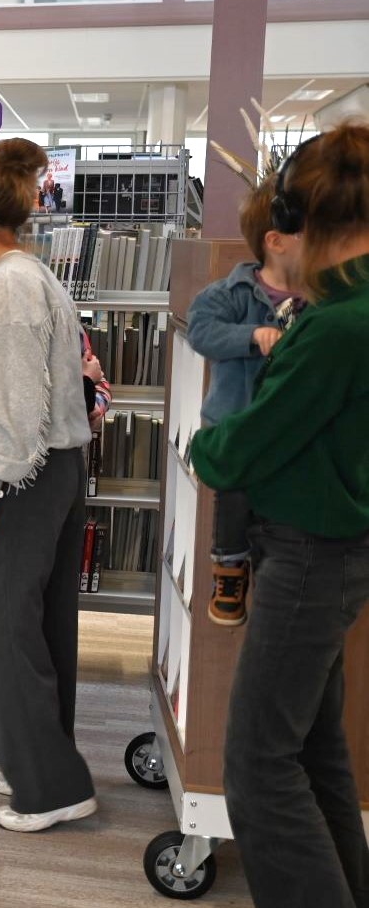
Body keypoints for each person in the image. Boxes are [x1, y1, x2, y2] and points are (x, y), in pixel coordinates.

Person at [189, 123, 369, 907]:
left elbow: (238, 450)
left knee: (258, 764)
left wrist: (206, 444)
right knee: (314, 747)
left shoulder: (330, 327)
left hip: (307, 556)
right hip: (335, 553)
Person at [0, 137, 97, 833]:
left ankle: (49, 785)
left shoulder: (6, 288)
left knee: (5, 629)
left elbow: (16, 411)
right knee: (39, 626)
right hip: (53, 469)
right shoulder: (29, 277)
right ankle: (33, 759)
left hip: (22, 478)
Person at [186, 179, 307, 627]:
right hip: (235, 422)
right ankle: (228, 565)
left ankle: (271, 567)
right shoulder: (230, 292)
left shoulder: (313, 298)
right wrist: (252, 337)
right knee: (233, 490)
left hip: (285, 428)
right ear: (275, 242)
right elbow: (201, 331)